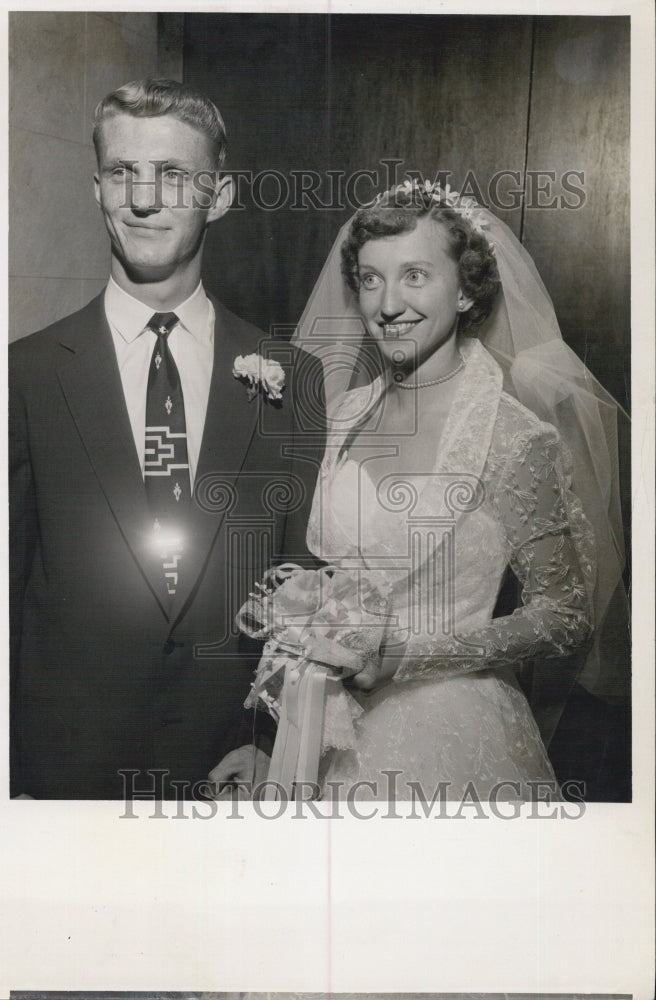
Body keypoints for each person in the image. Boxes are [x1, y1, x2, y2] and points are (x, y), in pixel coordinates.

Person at [240, 178, 626, 801]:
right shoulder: (340, 416)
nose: (388, 304)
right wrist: (301, 602)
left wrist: (408, 656)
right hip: (321, 729)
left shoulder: (511, 435)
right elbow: (338, 569)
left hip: (454, 739)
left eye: (415, 276)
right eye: (370, 279)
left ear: (466, 289)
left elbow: (565, 617)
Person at [9, 79, 324, 800]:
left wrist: (269, 739)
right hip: (64, 772)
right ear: (98, 190)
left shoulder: (292, 377)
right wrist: (4, 778)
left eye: (174, 175)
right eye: (123, 172)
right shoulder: (24, 375)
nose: (143, 200)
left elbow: (301, 580)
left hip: (228, 765)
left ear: (220, 196)